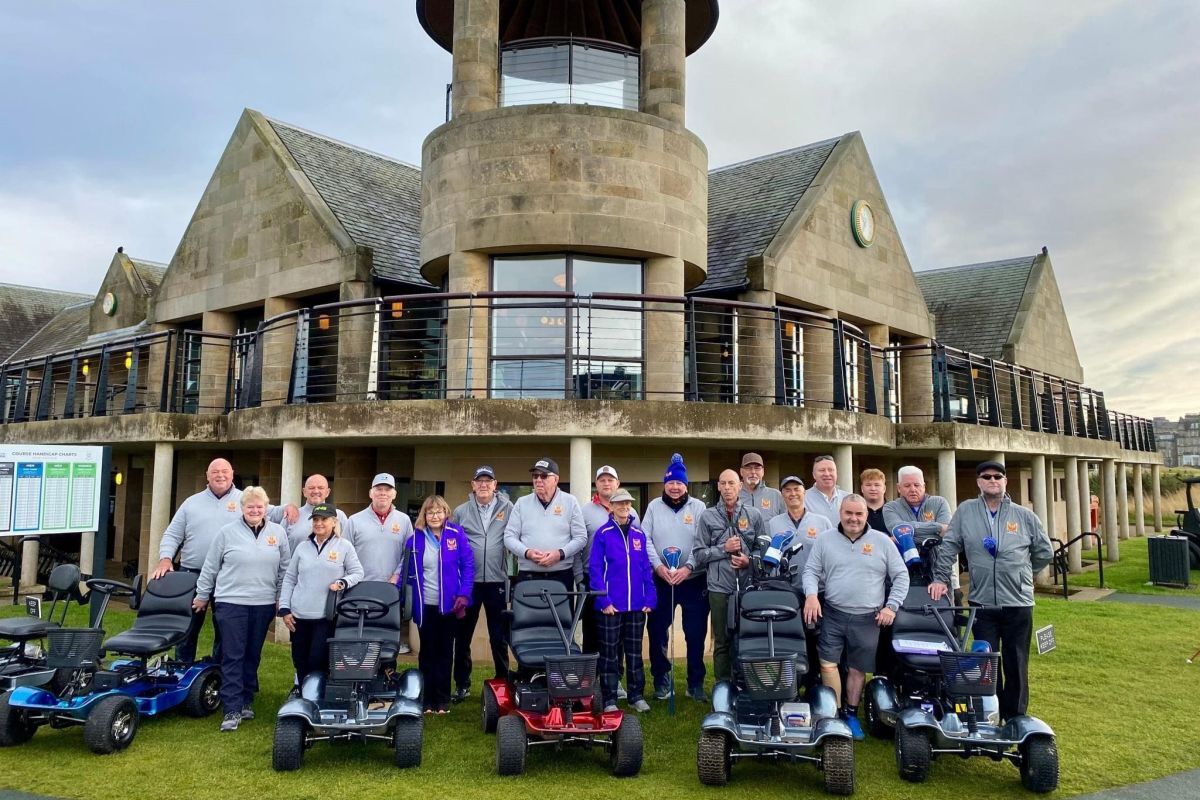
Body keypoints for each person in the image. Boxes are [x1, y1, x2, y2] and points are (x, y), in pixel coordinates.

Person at [928, 461, 1054, 721]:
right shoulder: (966, 511)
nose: (992, 480)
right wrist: (940, 578)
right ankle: (990, 711)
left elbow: (1044, 551)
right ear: (979, 482)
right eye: (986, 477)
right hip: (982, 602)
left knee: (1016, 659)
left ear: (1005, 481)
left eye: (998, 476)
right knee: (986, 658)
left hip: (1018, 601)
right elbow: (949, 546)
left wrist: (1023, 574)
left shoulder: (1024, 516)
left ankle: (1015, 715)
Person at [154, 458, 297, 663]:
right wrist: (165, 559)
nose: (220, 475)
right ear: (207, 475)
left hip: (228, 578)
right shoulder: (191, 503)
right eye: (215, 472)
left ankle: (217, 676)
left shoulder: (244, 499)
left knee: (225, 631)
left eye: (225, 471)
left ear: (232, 474)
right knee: (187, 628)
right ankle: (182, 669)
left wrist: (288, 508)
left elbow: (267, 510)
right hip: (192, 574)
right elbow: (173, 534)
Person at [802, 494, 908, 740]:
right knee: (828, 663)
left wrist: (891, 606)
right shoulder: (825, 540)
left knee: (857, 669)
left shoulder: (882, 542)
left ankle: (851, 713)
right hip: (833, 613)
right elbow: (811, 571)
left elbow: (901, 576)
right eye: (849, 513)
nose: (853, 518)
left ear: (866, 515)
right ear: (840, 513)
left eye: (859, 514)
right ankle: (834, 713)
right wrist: (810, 596)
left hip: (867, 618)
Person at [193, 486, 292, 732]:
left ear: (266, 508)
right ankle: (232, 708)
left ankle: (247, 698)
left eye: (260, 507)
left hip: (263, 603)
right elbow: (210, 567)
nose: (255, 510)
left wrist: (282, 597)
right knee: (233, 654)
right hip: (231, 602)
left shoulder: (278, 533)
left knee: (252, 653)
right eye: (250, 507)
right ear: (242, 508)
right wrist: (202, 595)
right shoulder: (226, 533)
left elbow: (285, 569)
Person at [392, 495, 474, 714]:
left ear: (446, 513)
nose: (435, 516)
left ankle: (442, 701)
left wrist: (464, 595)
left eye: (439, 511)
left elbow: (468, 566)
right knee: (427, 652)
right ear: (424, 516)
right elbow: (406, 568)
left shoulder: (457, 534)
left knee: (445, 652)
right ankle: (426, 700)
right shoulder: (415, 539)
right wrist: (395, 588)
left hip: (449, 606)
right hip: (424, 605)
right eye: (430, 512)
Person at [643, 453, 709, 701]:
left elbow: (702, 541)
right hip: (661, 579)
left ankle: (695, 684)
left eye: (679, 483)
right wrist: (658, 566)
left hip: (692, 579)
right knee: (658, 630)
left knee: (695, 633)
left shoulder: (699, 508)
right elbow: (644, 538)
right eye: (670, 482)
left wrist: (688, 567)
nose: (674, 487)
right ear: (664, 483)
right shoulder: (653, 507)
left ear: (686, 485)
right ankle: (661, 680)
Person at [278, 501, 364, 688]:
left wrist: (342, 583)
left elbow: (358, 572)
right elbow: (290, 578)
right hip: (299, 615)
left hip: (325, 616)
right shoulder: (302, 547)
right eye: (316, 519)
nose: (319, 523)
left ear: (334, 522)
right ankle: (302, 693)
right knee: (299, 659)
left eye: (324, 519)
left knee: (318, 659)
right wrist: (285, 608)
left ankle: (317, 695)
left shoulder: (344, 546)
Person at [693, 469, 764, 683]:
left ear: (740, 485)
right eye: (723, 483)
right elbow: (698, 554)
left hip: (747, 588)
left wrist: (748, 561)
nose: (727, 488)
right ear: (718, 487)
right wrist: (723, 549)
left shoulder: (754, 515)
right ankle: (723, 687)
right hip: (719, 588)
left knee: (747, 639)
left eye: (731, 483)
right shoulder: (707, 516)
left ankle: (747, 684)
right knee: (722, 641)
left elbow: (763, 550)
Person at [450, 465, 514, 703]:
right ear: (473, 485)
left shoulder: (509, 508)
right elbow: (452, 545)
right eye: (480, 481)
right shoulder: (461, 511)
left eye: (488, 481)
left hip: (497, 581)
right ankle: (462, 684)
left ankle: (503, 682)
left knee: (499, 636)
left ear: (495, 485)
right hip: (469, 584)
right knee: (463, 636)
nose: (484, 485)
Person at [589, 489, 655, 713]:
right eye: (620, 504)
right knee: (609, 654)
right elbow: (595, 569)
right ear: (612, 507)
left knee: (635, 652)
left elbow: (645, 568)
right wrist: (603, 600)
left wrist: (650, 596)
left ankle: (636, 695)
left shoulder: (639, 534)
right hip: (611, 606)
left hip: (636, 605)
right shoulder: (603, 533)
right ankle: (609, 699)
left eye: (627, 504)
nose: (624, 508)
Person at [766, 476, 832, 688]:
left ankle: (814, 683)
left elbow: (829, 555)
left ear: (804, 493)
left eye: (797, 489)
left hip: (816, 592)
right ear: (782, 495)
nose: (792, 493)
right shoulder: (774, 523)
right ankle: (792, 682)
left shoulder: (822, 522)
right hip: (787, 591)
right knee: (792, 637)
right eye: (788, 490)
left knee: (815, 638)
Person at [578, 465, 634, 699]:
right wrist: (579, 577)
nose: (606, 483)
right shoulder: (585, 511)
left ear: (617, 484)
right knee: (592, 632)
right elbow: (579, 543)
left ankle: (615, 679)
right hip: (593, 580)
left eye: (610, 479)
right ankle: (590, 681)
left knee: (617, 636)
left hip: (620, 583)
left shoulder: (631, 513)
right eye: (601, 480)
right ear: (596, 484)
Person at [344, 473, 415, 654]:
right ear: (371, 493)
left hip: (390, 589)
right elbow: (345, 554)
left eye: (387, 489)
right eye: (378, 489)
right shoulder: (354, 520)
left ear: (394, 494)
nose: (383, 493)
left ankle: (387, 676)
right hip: (360, 589)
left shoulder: (404, 520)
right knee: (361, 636)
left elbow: (407, 554)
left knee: (387, 638)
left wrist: (397, 575)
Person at [503, 457, 587, 594]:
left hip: (561, 576)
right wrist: (527, 553)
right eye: (535, 476)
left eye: (544, 476)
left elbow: (581, 537)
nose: (538, 480)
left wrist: (559, 554)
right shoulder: (521, 503)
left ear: (556, 479)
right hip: (528, 576)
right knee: (526, 616)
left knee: (560, 617)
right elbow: (509, 537)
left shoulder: (570, 502)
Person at [271, 473, 348, 551]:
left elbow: (347, 548)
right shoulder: (291, 514)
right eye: (311, 488)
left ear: (327, 492)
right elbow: (279, 549)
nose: (316, 491)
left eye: (320, 488)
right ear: (304, 492)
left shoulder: (338, 516)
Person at [882, 466, 952, 539]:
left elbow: (947, 534)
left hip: (938, 550)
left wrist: (908, 534)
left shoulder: (939, 503)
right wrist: (938, 527)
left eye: (917, 485)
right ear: (899, 488)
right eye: (907, 486)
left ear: (924, 486)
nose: (913, 489)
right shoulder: (891, 507)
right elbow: (898, 530)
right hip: (906, 550)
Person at [738, 452, 784, 519]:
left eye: (757, 468)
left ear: (763, 472)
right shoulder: (734, 496)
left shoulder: (776, 495)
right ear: (741, 472)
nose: (753, 472)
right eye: (748, 468)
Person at [804, 455, 849, 522]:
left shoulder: (848, 498)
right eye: (822, 470)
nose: (827, 474)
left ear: (836, 473)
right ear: (814, 475)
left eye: (831, 470)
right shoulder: (803, 499)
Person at [859, 468, 888, 534]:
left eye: (877, 485)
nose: (873, 488)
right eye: (868, 485)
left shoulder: (893, 510)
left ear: (884, 488)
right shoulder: (856, 512)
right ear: (862, 488)